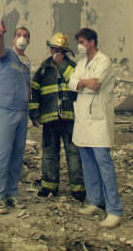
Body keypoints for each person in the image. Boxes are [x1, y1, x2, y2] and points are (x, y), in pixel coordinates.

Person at [71, 28, 123, 229]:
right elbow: (72, 82)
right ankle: (95, 201)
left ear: (92, 42)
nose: (80, 45)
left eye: (82, 41)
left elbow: (97, 84)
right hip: (83, 119)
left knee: (104, 164)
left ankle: (114, 210)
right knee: (88, 162)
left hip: (99, 119)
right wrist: (83, 82)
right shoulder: (81, 63)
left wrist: (80, 82)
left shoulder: (104, 61)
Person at [30, 32, 84, 201]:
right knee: (49, 153)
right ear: (50, 49)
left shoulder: (73, 68)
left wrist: (64, 67)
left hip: (70, 118)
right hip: (49, 118)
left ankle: (78, 188)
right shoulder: (43, 69)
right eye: (55, 49)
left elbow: (77, 86)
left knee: (74, 153)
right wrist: (34, 113)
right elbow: (34, 92)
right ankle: (49, 186)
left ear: (66, 52)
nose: (57, 53)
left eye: (61, 50)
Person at [0, 23, 32, 214]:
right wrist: (0, 35)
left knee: (17, 155)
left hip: (22, 112)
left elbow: (27, 85)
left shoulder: (26, 62)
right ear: (14, 39)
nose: (22, 38)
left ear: (29, 41)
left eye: (25, 35)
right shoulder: (6, 55)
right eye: (19, 35)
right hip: (6, 110)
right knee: (3, 154)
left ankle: (12, 192)